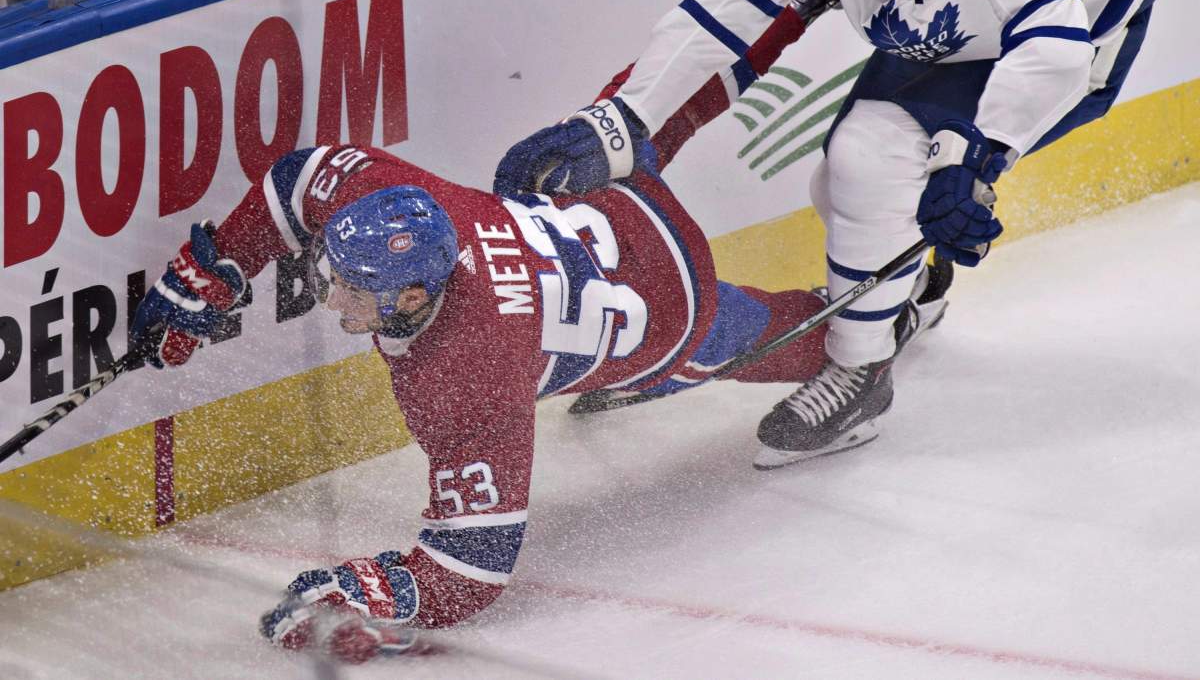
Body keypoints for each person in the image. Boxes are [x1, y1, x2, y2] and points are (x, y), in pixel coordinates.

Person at [492, 0, 1166, 469]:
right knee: (846, 191)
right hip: (954, 25)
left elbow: (1052, 45)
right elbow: (720, 9)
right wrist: (623, 118)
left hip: (1081, 22)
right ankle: (911, 295)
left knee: (871, 165)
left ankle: (859, 373)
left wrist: (978, 158)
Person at [131, 138, 903, 661]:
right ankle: (885, 305)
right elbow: (302, 178)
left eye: (350, 287)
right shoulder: (391, 202)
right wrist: (222, 265)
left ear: (409, 295)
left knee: (725, 337)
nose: (329, 294)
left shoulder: (466, 376)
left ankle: (869, 340)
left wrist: (382, 593)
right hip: (616, 208)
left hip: (662, 308)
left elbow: (471, 570)